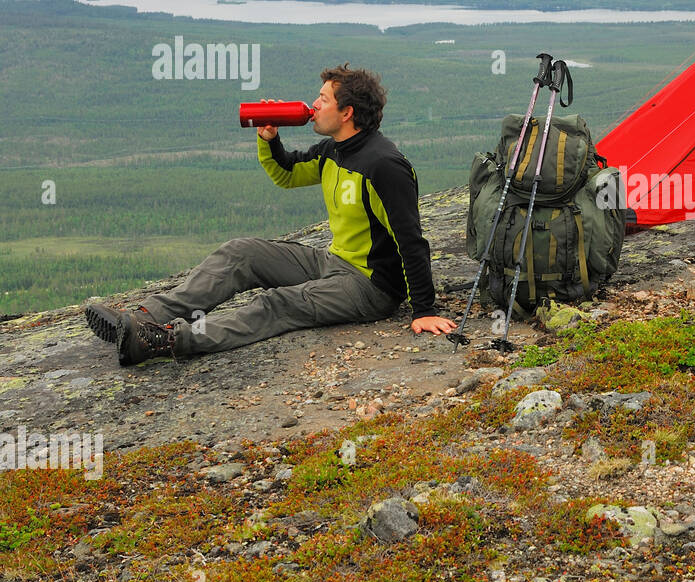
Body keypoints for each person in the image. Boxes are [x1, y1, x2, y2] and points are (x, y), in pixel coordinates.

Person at [85, 63, 457, 366]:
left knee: (278, 303)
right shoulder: (334, 150)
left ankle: (164, 341)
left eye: (323, 99)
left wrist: (423, 309)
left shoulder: (383, 165)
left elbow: (411, 240)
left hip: (370, 286)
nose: (314, 104)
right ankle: (143, 317)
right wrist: (269, 139)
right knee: (241, 253)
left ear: (347, 112)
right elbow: (288, 173)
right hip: (333, 262)